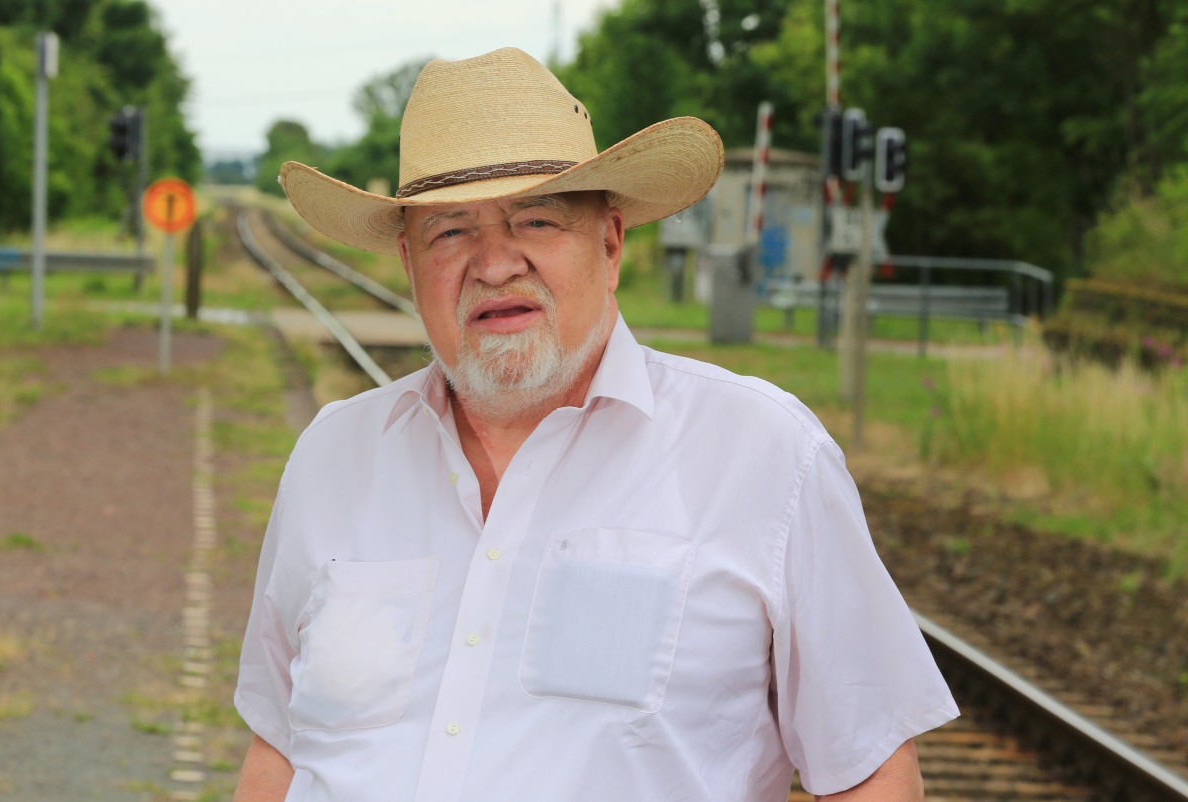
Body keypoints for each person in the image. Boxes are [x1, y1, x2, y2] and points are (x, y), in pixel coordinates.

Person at [233, 47, 958, 802]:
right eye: (450, 232)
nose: (494, 264)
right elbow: (277, 750)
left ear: (610, 245)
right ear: (411, 266)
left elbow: (871, 770)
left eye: (535, 221)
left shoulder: (766, 456)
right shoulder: (331, 456)